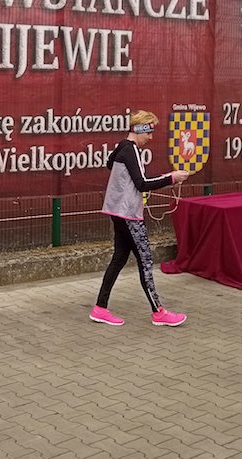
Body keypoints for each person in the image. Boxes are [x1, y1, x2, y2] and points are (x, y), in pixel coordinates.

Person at [90, 110, 190, 327]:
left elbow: (110, 163)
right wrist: (172, 178)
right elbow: (142, 183)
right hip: (129, 215)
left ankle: (100, 308)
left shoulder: (122, 147)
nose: (151, 137)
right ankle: (158, 312)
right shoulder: (131, 149)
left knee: (119, 259)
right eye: (149, 132)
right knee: (145, 261)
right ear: (139, 129)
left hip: (118, 212)